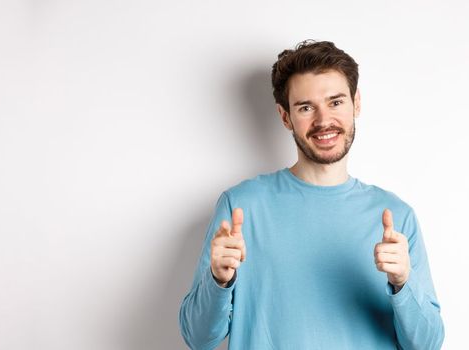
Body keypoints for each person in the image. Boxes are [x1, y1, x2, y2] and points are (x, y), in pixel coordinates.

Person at [179, 40, 445, 349]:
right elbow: (198, 339)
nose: (323, 121)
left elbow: (427, 345)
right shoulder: (241, 207)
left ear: (356, 103)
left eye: (335, 102)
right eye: (306, 107)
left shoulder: (396, 216)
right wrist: (219, 282)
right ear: (285, 117)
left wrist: (403, 284)